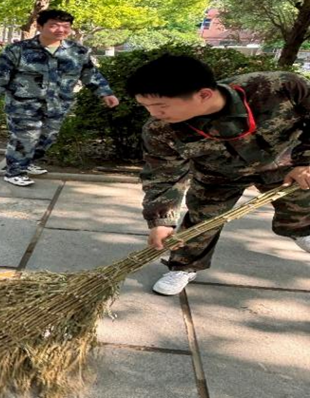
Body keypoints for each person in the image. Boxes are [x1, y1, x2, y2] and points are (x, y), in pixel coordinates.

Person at [125, 54, 310, 295]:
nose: (153, 113)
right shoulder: (160, 130)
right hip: (218, 174)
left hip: (285, 163)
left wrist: (307, 161)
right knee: (201, 222)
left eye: (161, 107)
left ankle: (301, 231)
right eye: (146, 106)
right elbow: (163, 174)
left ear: (203, 94)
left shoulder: (278, 87)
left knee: (301, 205)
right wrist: (161, 221)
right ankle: (184, 266)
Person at [0, 9, 119, 187]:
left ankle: (28, 162)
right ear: (40, 26)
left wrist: (106, 93)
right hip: (23, 104)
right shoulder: (18, 50)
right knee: (26, 137)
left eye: (65, 26)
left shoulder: (77, 52)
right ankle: (14, 171)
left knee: (48, 137)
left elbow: (90, 75)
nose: (60, 30)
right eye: (54, 25)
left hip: (58, 104)